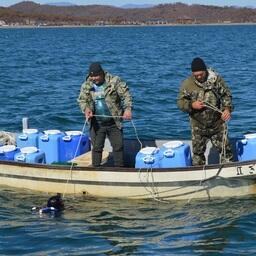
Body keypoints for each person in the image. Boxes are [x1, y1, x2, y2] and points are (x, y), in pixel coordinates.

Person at [177, 57, 234, 166]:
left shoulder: (216, 80)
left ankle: (229, 176)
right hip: (198, 126)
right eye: (196, 75)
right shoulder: (187, 84)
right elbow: (180, 102)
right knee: (197, 155)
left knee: (226, 151)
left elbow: (226, 95)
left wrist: (227, 109)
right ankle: (200, 178)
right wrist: (191, 105)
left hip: (217, 124)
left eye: (201, 74)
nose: (198, 77)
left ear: (205, 71)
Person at [78, 62, 132, 167]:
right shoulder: (86, 85)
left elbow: (126, 95)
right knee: (97, 147)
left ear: (102, 73)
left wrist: (128, 109)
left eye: (96, 76)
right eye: (91, 76)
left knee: (118, 146)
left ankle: (119, 170)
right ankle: (95, 169)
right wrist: (86, 109)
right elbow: (82, 100)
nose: (94, 78)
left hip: (114, 122)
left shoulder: (114, 81)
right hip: (96, 123)